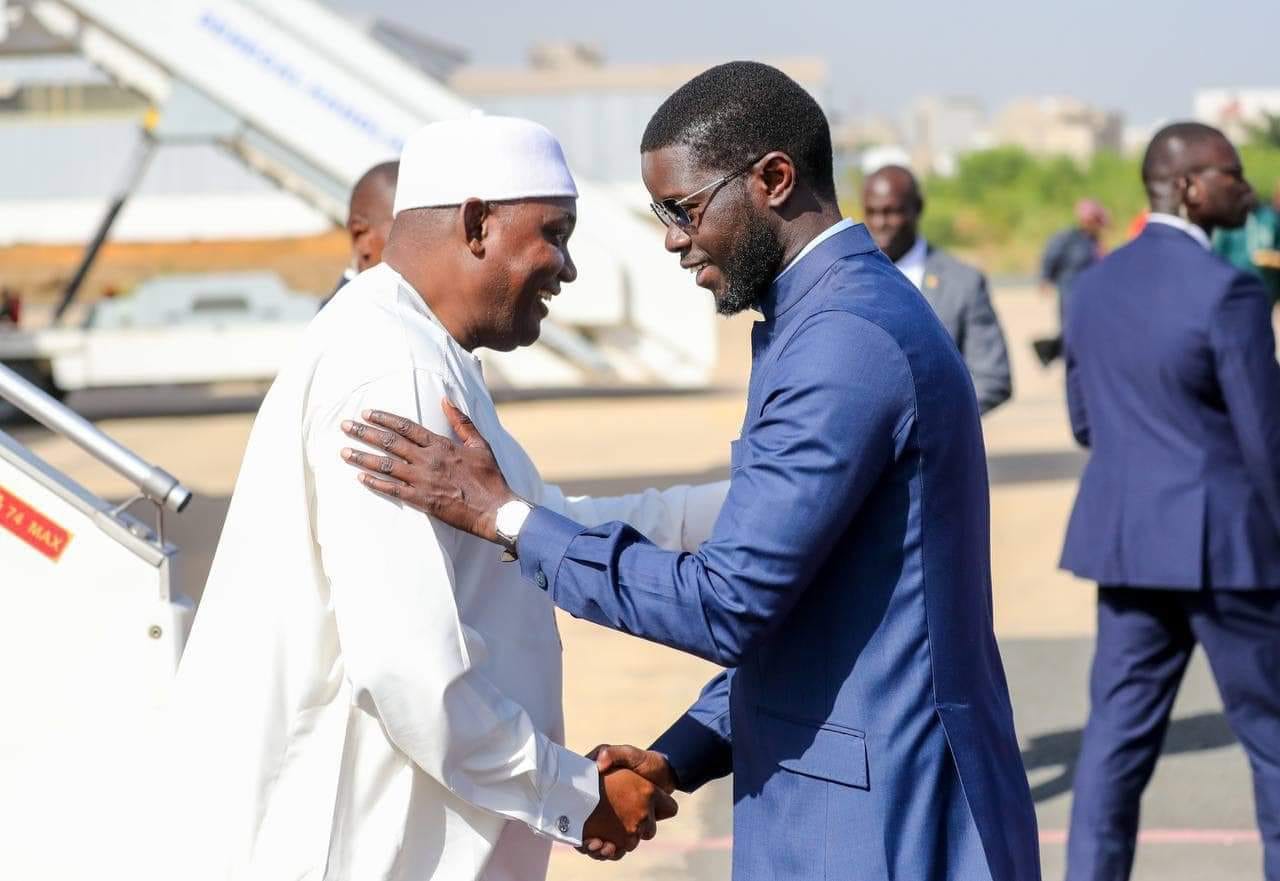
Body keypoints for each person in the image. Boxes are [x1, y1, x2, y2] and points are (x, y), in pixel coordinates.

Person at [339, 62, 1040, 881]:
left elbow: (731, 601)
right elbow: (802, 602)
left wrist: (509, 519)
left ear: (774, 179)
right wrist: (674, 757)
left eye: (683, 209)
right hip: (837, 807)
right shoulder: (815, 317)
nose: (673, 239)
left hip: (885, 823)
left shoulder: (844, 336)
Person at [168, 117, 733, 880]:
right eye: (554, 235)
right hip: (372, 846)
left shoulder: (419, 350)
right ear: (476, 224)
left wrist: (753, 505)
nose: (565, 269)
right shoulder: (390, 370)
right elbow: (410, 665)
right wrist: (572, 791)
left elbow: (540, 524)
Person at [1059, 121, 1280, 881]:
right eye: (1233, 174)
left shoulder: (1092, 284)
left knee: (1114, 747)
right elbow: (1267, 443)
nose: (1246, 189)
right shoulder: (1232, 290)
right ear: (1188, 185)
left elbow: (1086, 421)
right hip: (1231, 556)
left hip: (1129, 549)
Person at [862, 164, 1012, 414]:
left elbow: (993, 377)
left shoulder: (963, 282)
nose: (880, 223)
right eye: (872, 212)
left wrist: (928, 423)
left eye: (892, 212)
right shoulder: (845, 278)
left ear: (917, 208)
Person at [1034, 198, 1108, 366]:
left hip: (1089, 293)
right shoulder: (1068, 238)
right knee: (1070, 330)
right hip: (1070, 291)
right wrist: (1045, 278)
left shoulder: (1093, 242)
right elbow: (1051, 257)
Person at [1213, 179, 1280, 303]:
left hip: (1267, 290)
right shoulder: (1229, 220)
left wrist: (1272, 258)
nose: (1248, 197)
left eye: (1250, 193)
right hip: (1235, 287)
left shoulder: (1270, 218)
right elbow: (1216, 255)